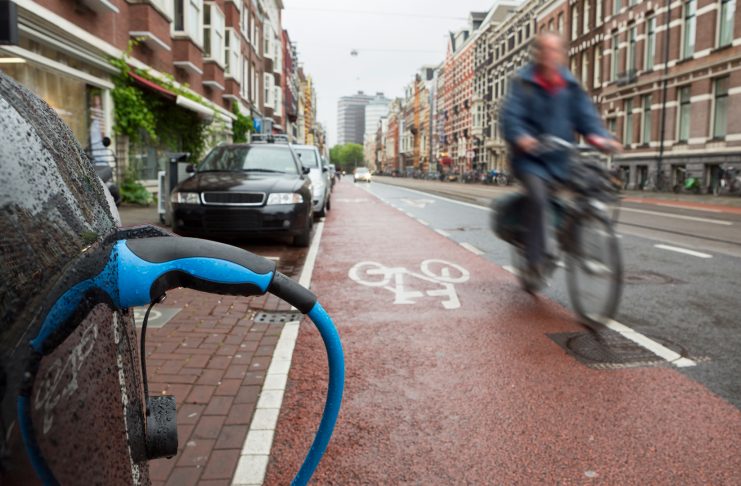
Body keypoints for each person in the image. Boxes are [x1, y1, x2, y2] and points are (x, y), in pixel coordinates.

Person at [500, 31, 621, 285]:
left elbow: (587, 118)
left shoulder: (570, 86)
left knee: (590, 189)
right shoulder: (523, 82)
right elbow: (511, 116)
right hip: (530, 160)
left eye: (555, 50)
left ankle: (578, 243)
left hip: (562, 158)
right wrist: (522, 137)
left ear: (562, 54)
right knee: (538, 198)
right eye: (545, 50)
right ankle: (534, 261)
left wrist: (601, 139)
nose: (550, 55)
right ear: (537, 54)